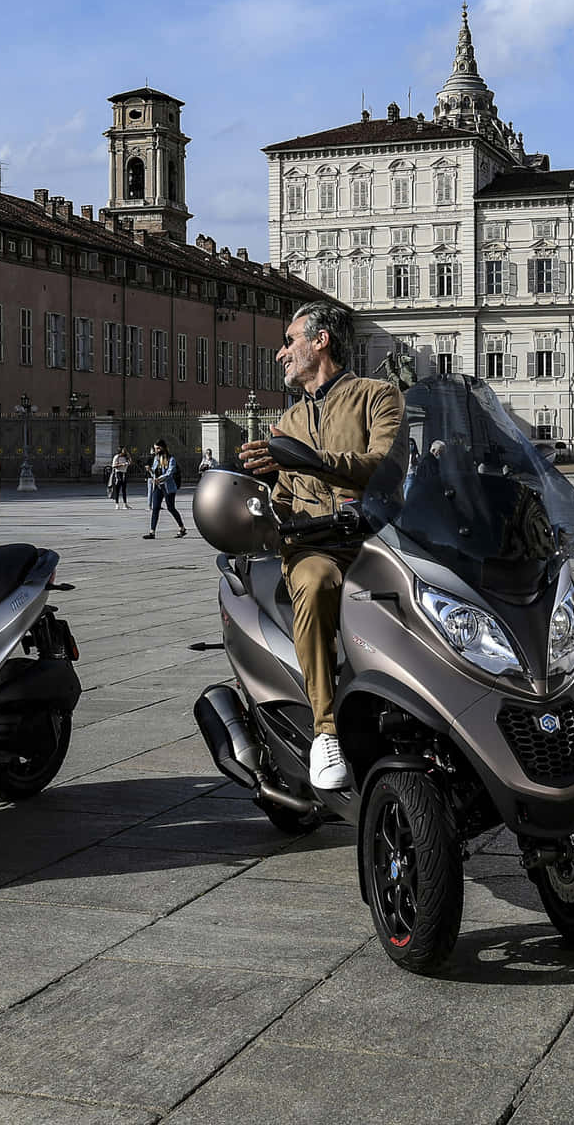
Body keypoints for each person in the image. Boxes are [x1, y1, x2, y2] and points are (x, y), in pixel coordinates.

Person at [238, 303, 404, 790]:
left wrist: (305, 459)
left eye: (290, 341)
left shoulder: (378, 396)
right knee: (314, 581)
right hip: (317, 548)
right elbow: (288, 496)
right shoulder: (287, 421)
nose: (280, 353)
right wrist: (265, 496)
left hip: (376, 538)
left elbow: (384, 465)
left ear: (321, 340)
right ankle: (326, 729)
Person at [144, 439, 187, 539]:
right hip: (158, 487)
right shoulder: (156, 458)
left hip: (168, 487)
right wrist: (150, 471)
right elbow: (155, 472)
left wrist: (159, 479)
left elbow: (170, 473)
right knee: (155, 508)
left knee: (171, 508)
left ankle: (182, 528)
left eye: (158, 448)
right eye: (155, 448)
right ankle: (152, 532)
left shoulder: (171, 459)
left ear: (163, 447)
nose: (156, 450)